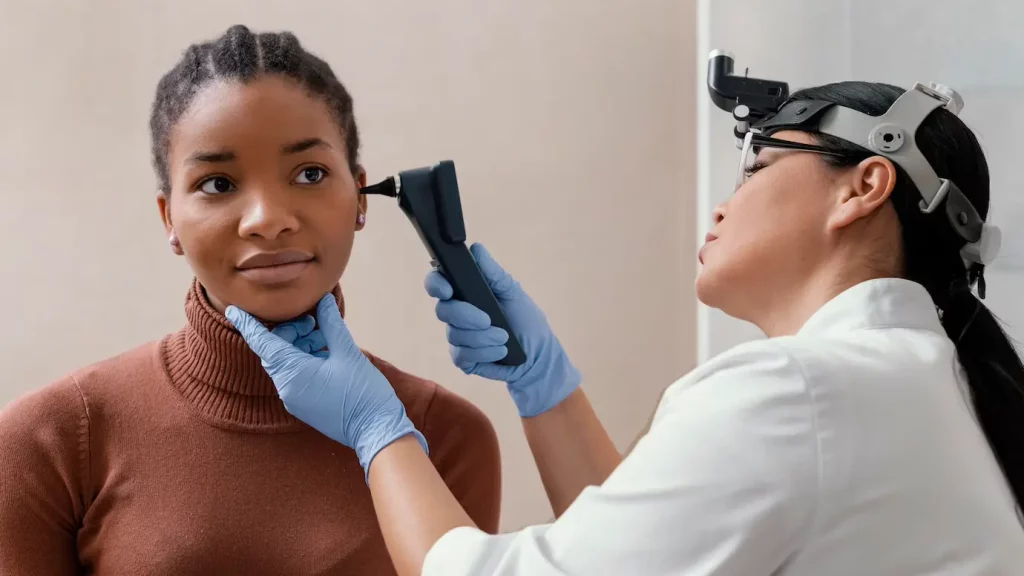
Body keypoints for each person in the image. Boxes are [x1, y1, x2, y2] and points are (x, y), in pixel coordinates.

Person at [230, 78, 1024, 575]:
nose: (724, 201)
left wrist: (375, 426)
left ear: (864, 186)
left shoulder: (801, 393)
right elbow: (657, 546)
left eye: (757, 166)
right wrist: (547, 391)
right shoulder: (915, 386)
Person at [0, 25, 501, 575]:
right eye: (217, 183)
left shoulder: (448, 437)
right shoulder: (47, 441)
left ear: (360, 198)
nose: (267, 220)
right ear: (170, 219)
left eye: (310, 173)